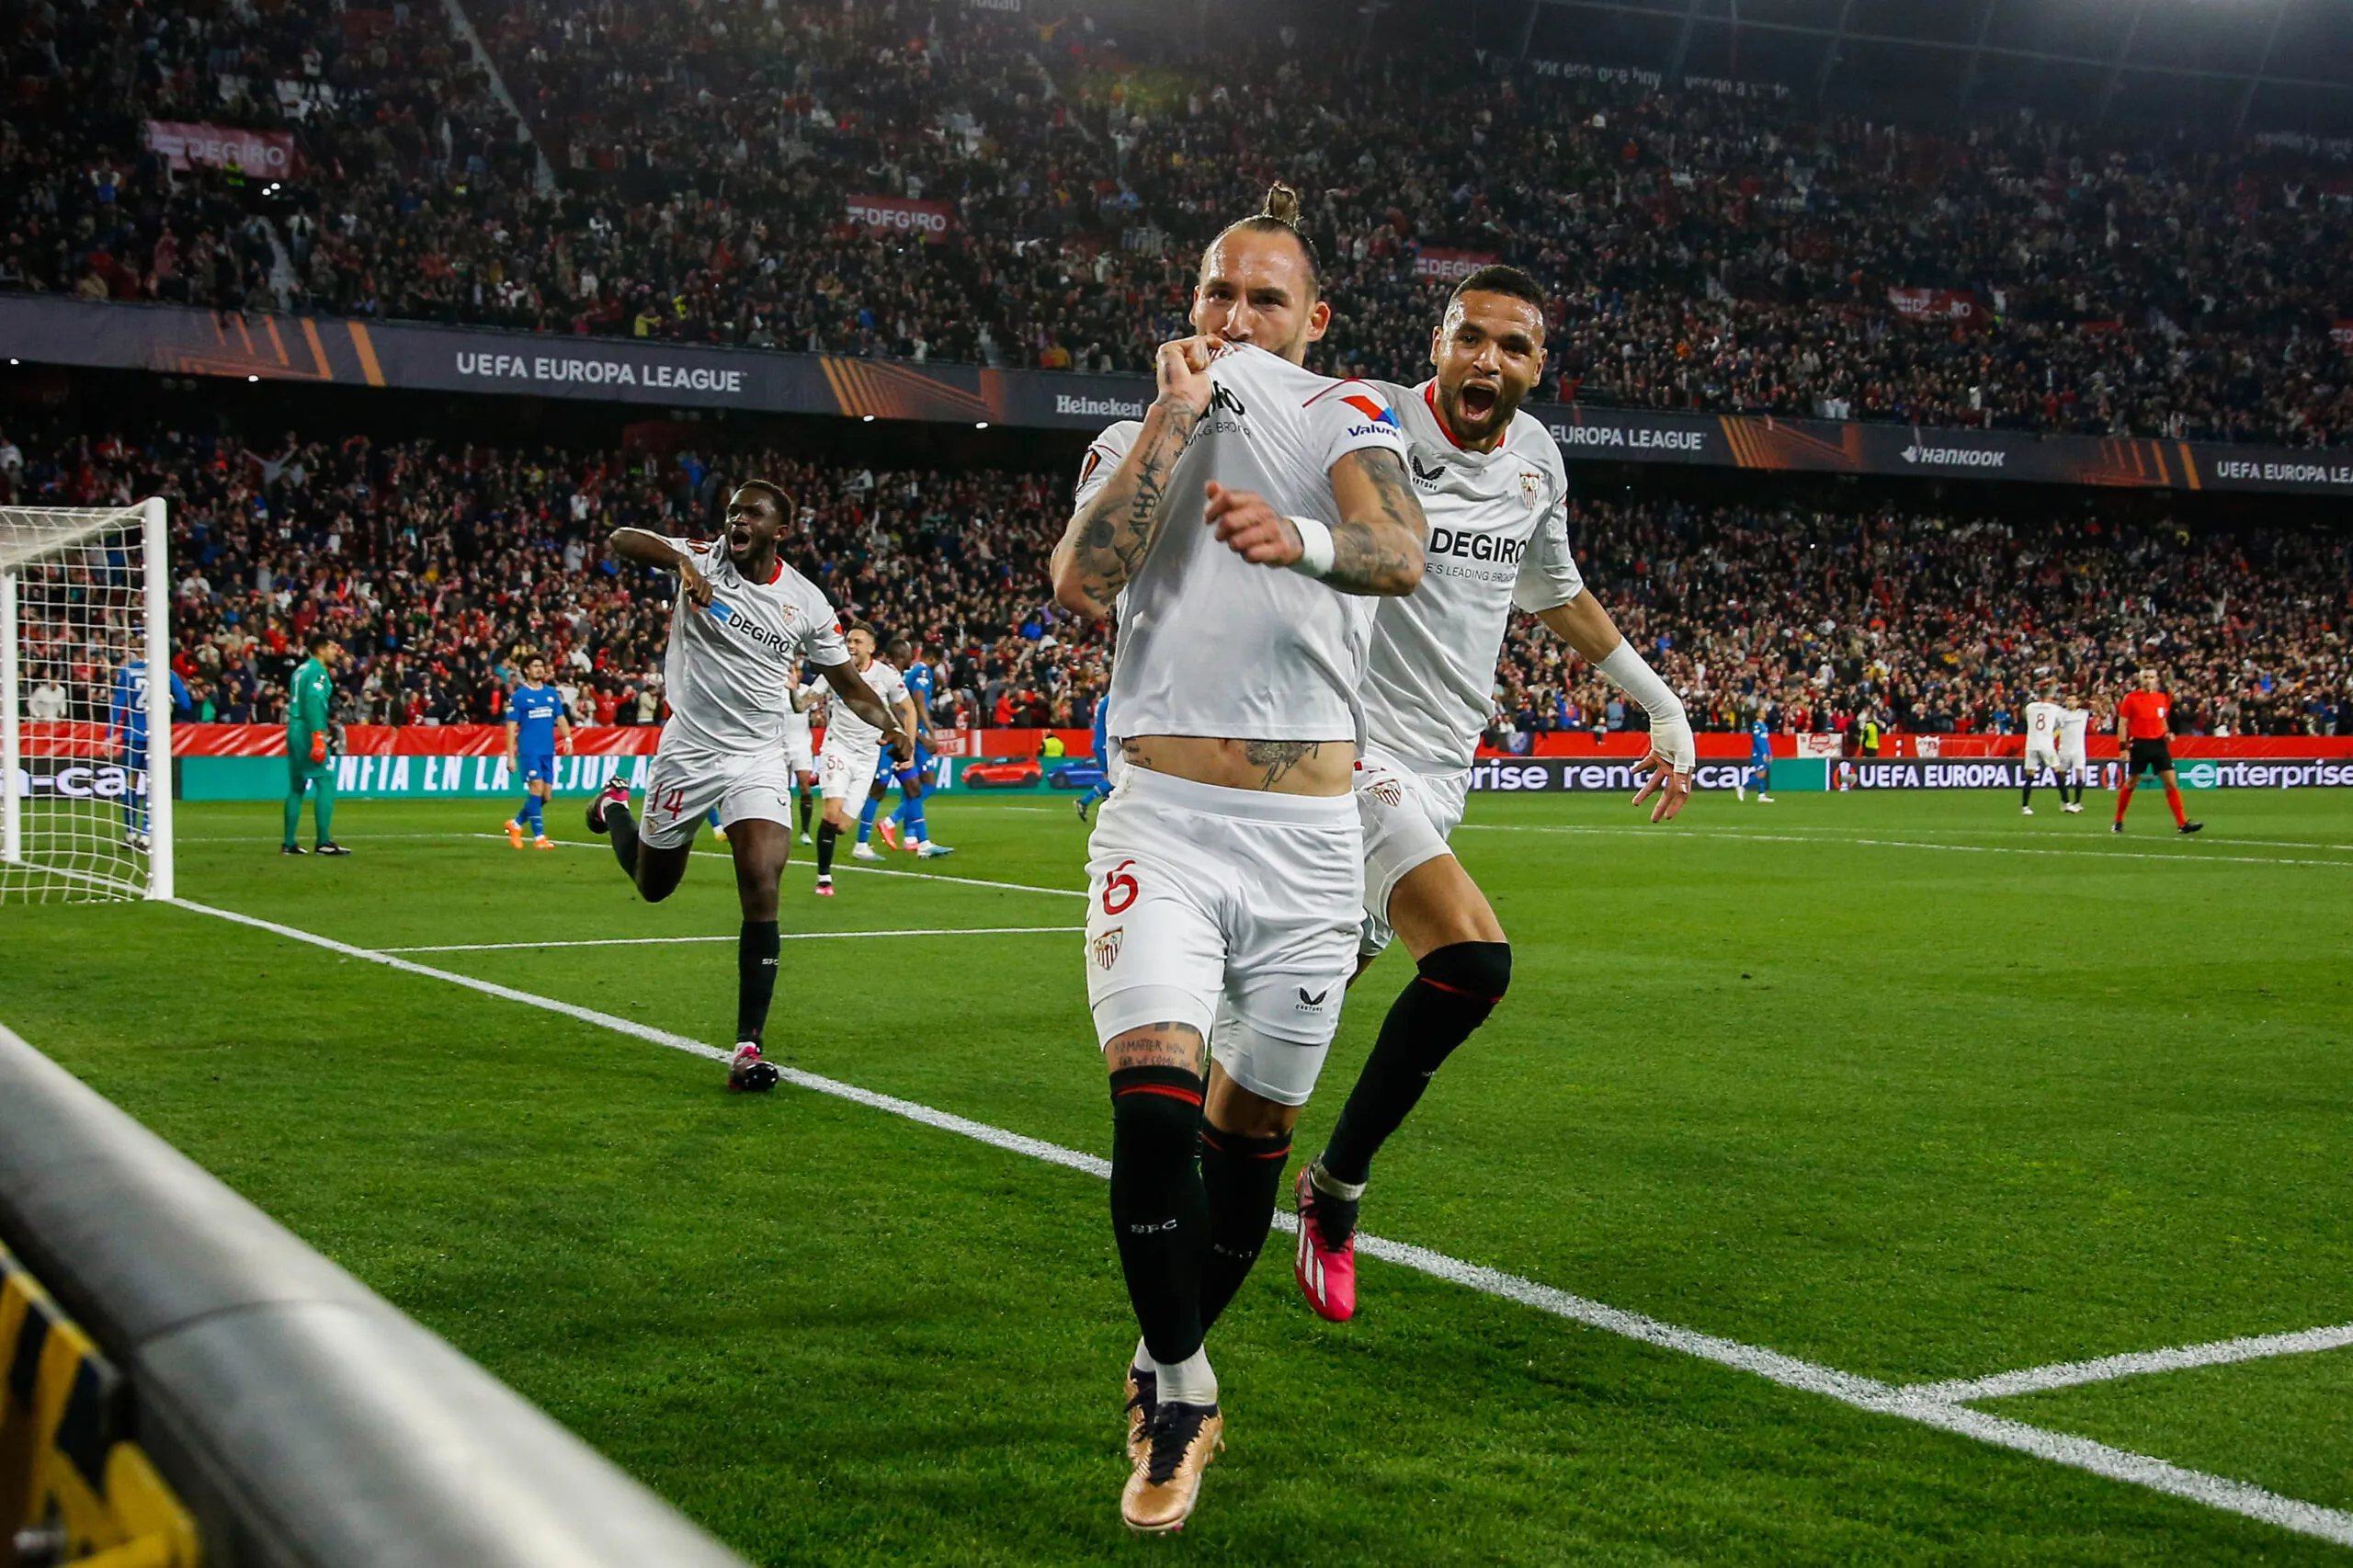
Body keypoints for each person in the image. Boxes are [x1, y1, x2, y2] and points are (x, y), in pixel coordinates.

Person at [1049, 182, 1427, 1535]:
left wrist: (1302, 538)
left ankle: (1162, 1361)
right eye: (1220, 290)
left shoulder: (1346, 415)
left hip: (1311, 846)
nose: (1238, 314)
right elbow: (1084, 582)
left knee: (1250, 1137)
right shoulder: (1130, 434)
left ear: (1314, 320)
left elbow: (1397, 550)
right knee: (1153, 1104)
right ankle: (1187, 1389)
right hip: (1162, 818)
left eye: (1268, 297)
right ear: (1190, 303)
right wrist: (1174, 418)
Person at [1290, 266, 1694, 1324]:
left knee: (1304, 998)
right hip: (1345, 743)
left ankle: (1225, 1157)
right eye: (1470, 336)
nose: (1488, 359)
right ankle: (1334, 1190)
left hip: (1439, 769)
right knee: (1471, 960)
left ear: (1538, 366)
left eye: (1512, 346)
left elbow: (1553, 590)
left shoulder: (1535, 460)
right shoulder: (1371, 422)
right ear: (1436, 342)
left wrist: (1659, 703)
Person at [583, 482, 912, 1089]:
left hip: (758, 756)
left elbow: (848, 684)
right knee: (654, 886)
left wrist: (890, 724)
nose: (737, 520)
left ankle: (747, 1048)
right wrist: (680, 562)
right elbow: (621, 538)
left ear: (778, 532)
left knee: (762, 879)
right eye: (733, 511)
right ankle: (614, 807)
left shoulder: (805, 601)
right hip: (690, 750)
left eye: (752, 514)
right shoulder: (702, 557)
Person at [813, 624, 922, 893]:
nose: (851, 646)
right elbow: (806, 699)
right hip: (838, 747)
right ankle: (824, 878)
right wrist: (795, 692)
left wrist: (908, 748)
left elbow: (909, 709)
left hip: (868, 755)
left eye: (857, 642)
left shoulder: (885, 675)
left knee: (841, 825)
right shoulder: (836, 671)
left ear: (871, 648)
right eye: (848, 641)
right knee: (831, 811)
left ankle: (837, 840)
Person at [856, 634, 952, 859]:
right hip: (886, 742)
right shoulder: (886, 674)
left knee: (914, 787)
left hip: (900, 742)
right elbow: (897, 710)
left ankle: (922, 842)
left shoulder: (897, 675)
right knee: (878, 789)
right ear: (902, 654)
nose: (913, 656)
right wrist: (921, 736)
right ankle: (862, 843)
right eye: (910, 652)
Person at [108, 643, 190, 851]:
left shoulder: (127, 672)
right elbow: (186, 704)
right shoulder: (167, 674)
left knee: (130, 784)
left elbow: (118, 704)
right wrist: (168, 700)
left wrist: (110, 734)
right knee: (153, 785)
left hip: (132, 736)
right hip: (156, 738)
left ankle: (130, 832)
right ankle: (146, 834)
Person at [2112, 667, 2201, 835]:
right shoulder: (2131, 698)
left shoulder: (2161, 697)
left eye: (2151, 677)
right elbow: (2122, 724)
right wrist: (2123, 747)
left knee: (2171, 783)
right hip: (2139, 744)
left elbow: (2162, 720)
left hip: (2159, 744)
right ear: (2140, 679)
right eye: (2145, 677)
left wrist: (2167, 733)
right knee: (2132, 783)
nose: (2148, 680)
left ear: (2156, 680)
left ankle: (2182, 823)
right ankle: (2118, 820)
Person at [282, 632, 348, 856]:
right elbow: (312, 701)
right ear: (320, 649)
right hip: (307, 730)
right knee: (325, 782)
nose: (336, 652)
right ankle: (323, 842)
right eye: (332, 647)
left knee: (296, 787)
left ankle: (289, 843)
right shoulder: (318, 671)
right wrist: (318, 736)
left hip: (293, 727)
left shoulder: (300, 670)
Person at [503, 654, 571, 849]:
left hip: (547, 750)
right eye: (535, 666)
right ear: (526, 670)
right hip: (529, 750)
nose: (540, 669)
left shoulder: (551, 693)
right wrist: (510, 757)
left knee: (546, 796)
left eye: (542, 666)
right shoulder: (520, 696)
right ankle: (539, 838)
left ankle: (516, 823)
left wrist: (568, 739)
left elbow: (560, 718)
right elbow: (510, 728)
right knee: (536, 788)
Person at [2020, 687, 2064, 815]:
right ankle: (2065, 802)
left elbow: (2023, 714)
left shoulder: (2030, 707)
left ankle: (2025, 807)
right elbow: (2062, 725)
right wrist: (2054, 734)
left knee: (2030, 776)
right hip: (2046, 744)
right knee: (2057, 771)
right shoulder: (2055, 708)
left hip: (2032, 744)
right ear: (2049, 696)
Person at [1074, 690, 1115, 823]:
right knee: (1114, 779)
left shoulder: (1105, 701)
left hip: (1100, 743)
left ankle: (1107, 812)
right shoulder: (1110, 701)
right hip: (1104, 744)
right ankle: (1084, 801)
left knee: (1109, 779)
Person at [2057, 694, 2092, 812]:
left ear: (2078, 702)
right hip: (2064, 749)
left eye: (2073, 700)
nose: (2070, 702)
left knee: (2080, 775)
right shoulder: (2060, 714)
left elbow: (2101, 714)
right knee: (2061, 776)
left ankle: (2077, 803)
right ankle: (2064, 801)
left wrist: (2092, 702)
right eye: (2068, 700)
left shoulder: (2083, 713)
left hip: (2078, 749)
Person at [1738, 717, 1774, 802]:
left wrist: (1770, 753)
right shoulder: (1756, 725)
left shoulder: (1764, 726)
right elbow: (1757, 740)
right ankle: (1743, 787)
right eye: (1762, 712)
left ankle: (1761, 795)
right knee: (1761, 774)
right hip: (1758, 753)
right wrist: (1763, 752)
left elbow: (1766, 741)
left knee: (1763, 773)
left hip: (1765, 752)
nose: (1764, 714)